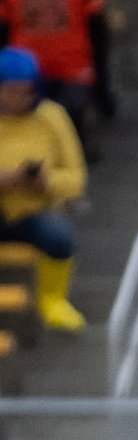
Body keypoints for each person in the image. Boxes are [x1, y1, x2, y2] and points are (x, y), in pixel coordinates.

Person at [0, 46, 84, 332]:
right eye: (8, 91)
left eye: (24, 92)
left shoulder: (52, 116)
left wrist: (46, 180)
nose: (17, 100)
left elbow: (76, 179)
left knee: (59, 235)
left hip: (33, 207)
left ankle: (52, 301)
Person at [0, 0, 106, 132]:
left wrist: (101, 85)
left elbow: (99, 33)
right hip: (25, 72)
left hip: (71, 71)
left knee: (72, 114)